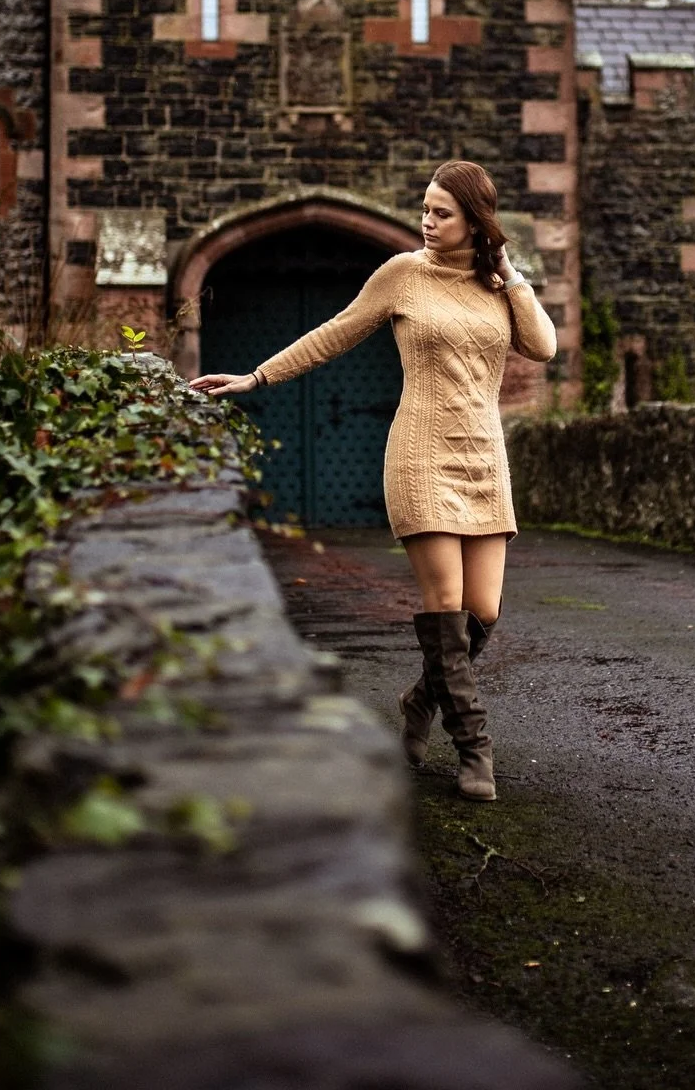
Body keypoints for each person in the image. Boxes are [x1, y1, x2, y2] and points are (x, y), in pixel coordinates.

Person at [191, 160, 557, 801]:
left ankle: (420, 702)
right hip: (420, 454)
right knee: (445, 603)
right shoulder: (402, 274)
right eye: (425, 208)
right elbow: (334, 334)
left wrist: (511, 275)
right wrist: (257, 376)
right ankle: (474, 749)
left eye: (442, 212)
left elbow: (543, 346)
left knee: (484, 611)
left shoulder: (497, 284)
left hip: (483, 459)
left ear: (476, 222)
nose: (427, 221)